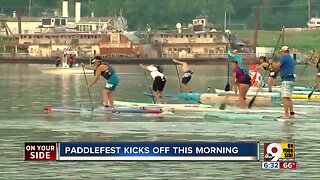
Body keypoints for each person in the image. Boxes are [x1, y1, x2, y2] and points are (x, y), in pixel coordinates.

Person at [272, 46, 295, 119]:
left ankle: (286, 114)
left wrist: (271, 63)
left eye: (281, 52)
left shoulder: (284, 57)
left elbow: (277, 66)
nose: (280, 53)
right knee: (288, 97)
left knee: (284, 97)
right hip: (291, 79)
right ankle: (291, 113)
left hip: (286, 79)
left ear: (284, 51)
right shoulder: (290, 58)